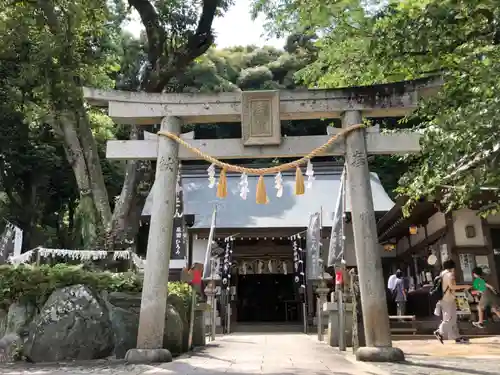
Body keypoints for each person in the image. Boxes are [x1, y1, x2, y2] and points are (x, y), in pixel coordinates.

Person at [434, 259, 471, 344]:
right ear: (452, 267)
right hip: (448, 298)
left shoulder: (442, 274)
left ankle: (455, 336)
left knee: (452, 317)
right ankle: (439, 332)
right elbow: (452, 287)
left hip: (443, 298)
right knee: (449, 318)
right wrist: (465, 286)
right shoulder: (450, 275)